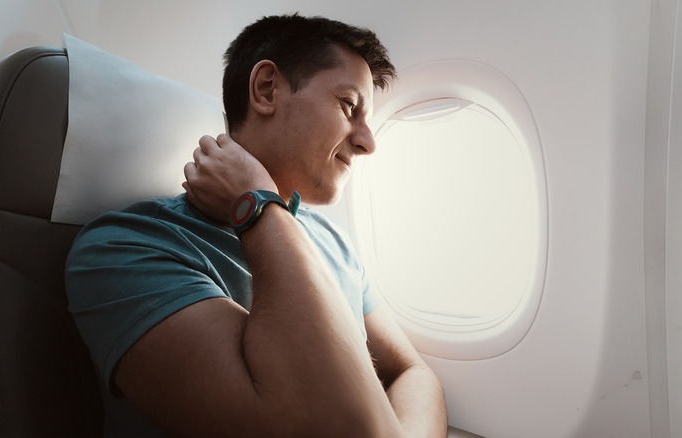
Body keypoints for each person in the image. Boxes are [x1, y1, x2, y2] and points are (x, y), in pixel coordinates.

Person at [66, 13, 447, 437]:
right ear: (266, 90)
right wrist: (258, 203)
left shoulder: (330, 239)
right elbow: (330, 425)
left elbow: (411, 371)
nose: (367, 141)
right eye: (348, 107)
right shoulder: (123, 250)